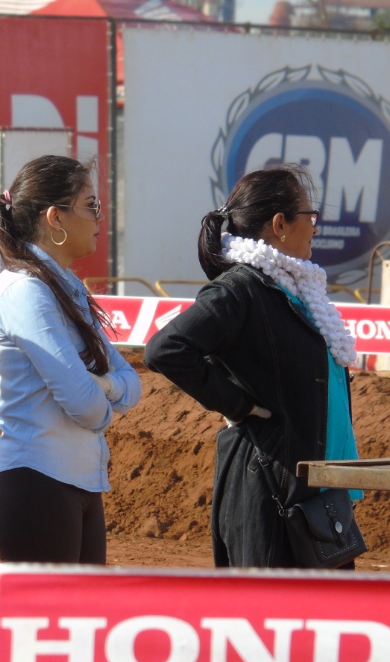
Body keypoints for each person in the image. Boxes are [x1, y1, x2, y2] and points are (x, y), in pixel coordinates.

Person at [144, 163, 362, 569]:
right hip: (268, 494)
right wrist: (237, 404)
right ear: (280, 224)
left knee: (328, 625)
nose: (314, 227)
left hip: (316, 498)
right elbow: (165, 349)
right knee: (268, 623)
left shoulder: (295, 290)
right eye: (309, 216)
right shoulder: (241, 288)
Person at [0, 155, 142, 564]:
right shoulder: (25, 291)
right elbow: (86, 408)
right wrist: (107, 399)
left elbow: (131, 384)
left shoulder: (63, 288)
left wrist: (103, 387)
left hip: (75, 486)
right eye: (91, 205)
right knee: (47, 627)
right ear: (56, 218)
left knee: (82, 624)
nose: (99, 217)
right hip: (36, 485)